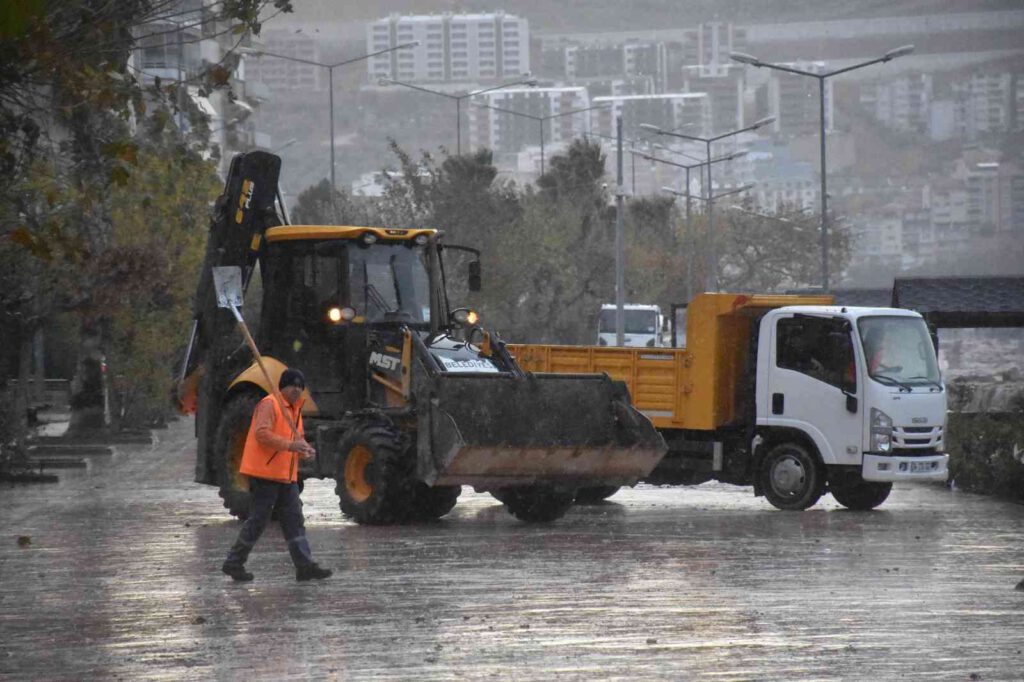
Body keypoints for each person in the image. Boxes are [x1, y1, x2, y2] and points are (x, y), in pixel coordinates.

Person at [222, 368, 332, 582]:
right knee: (259, 520)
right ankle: (234, 563)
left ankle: (304, 566)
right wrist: (291, 445)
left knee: (294, 519)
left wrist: (304, 450)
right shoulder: (270, 404)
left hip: (286, 475)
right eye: (293, 385)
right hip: (265, 474)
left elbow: (296, 439)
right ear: (283, 386)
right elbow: (261, 434)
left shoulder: (295, 410)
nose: (297, 390)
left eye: (301, 386)